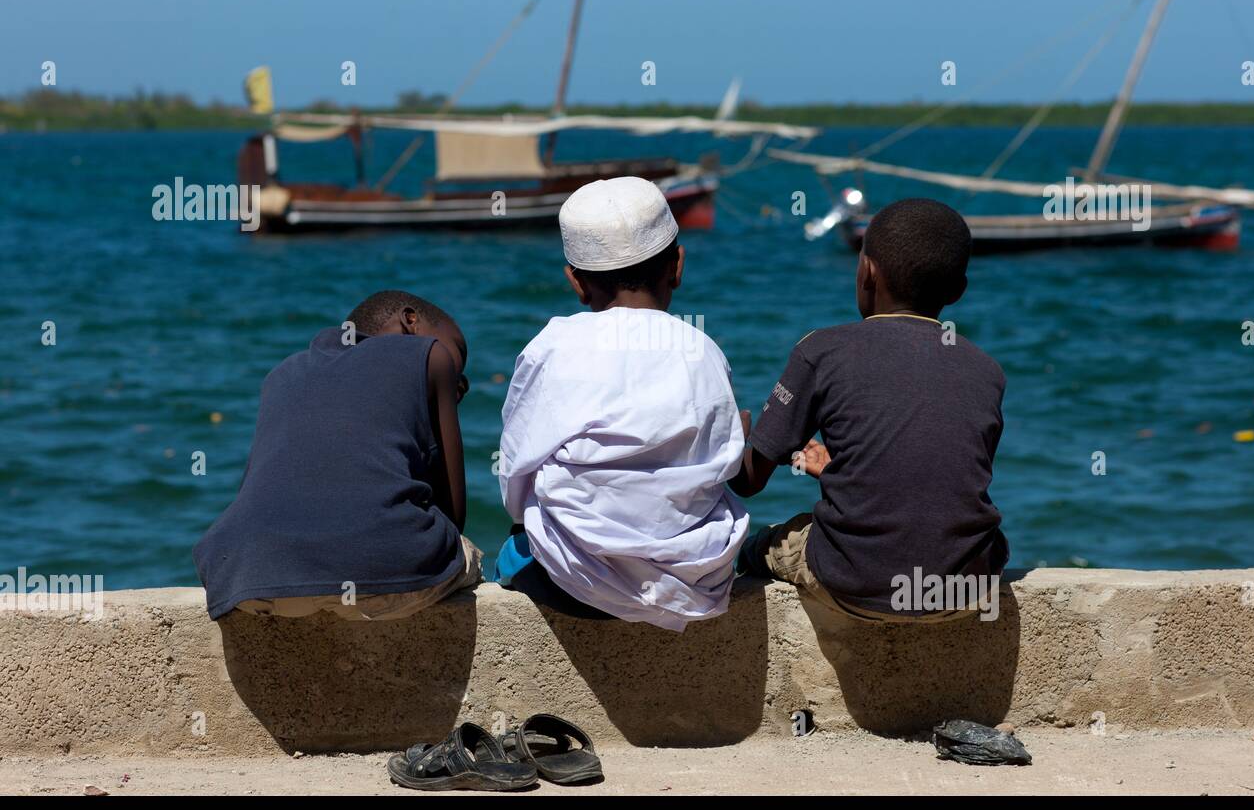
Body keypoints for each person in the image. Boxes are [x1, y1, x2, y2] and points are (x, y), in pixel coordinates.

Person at [729, 198, 1008, 621]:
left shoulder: (821, 351)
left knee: (758, 546)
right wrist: (839, 470)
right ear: (958, 290)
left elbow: (749, 482)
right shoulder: (986, 370)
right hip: (965, 590)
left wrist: (735, 435)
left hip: (855, 586)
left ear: (866, 272)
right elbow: (934, 476)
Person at [495, 177, 748, 631]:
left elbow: (515, 478)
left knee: (514, 547)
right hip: (695, 583)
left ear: (576, 282)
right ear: (678, 265)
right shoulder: (703, 348)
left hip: (572, 587)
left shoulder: (552, 346)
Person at [193, 290, 480, 620]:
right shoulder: (429, 355)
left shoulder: (282, 373)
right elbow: (452, 518)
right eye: (457, 351)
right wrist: (444, 393)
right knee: (464, 553)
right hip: (389, 577)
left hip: (244, 580)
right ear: (410, 321)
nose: (459, 375)